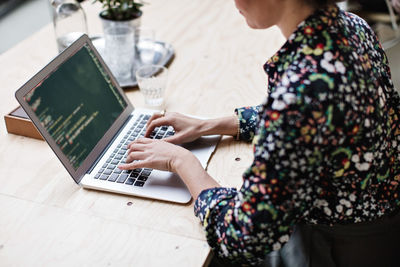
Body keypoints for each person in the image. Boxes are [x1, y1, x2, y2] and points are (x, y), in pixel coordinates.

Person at [119, 0, 400, 265]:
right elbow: (314, 118)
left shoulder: (301, 93)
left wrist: (181, 162)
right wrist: (210, 125)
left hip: (332, 248)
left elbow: (241, 239)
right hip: (378, 229)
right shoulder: (352, 26)